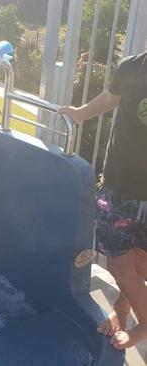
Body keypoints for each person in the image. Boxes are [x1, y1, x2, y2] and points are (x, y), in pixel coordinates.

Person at [61, 52, 147, 350]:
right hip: (119, 187)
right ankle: (133, 316)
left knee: (140, 261)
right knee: (121, 264)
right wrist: (80, 113)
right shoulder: (132, 66)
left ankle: (133, 316)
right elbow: (112, 97)